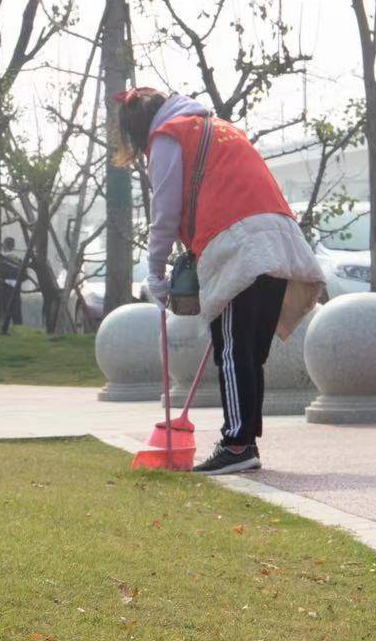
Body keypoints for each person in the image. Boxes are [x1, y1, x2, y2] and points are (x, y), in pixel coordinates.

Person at [114, 88, 326, 475]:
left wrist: (155, 272)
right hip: (279, 240)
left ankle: (236, 444)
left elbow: (164, 211)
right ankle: (246, 442)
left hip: (237, 245)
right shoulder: (224, 129)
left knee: (231, 350)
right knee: (249, 353)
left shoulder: (168, 137)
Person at [0, 236, 27, 336]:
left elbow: (0, 274)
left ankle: (6, 328)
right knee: (16, 308)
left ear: (4, 245)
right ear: (13, 247)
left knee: (7, 308)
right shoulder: (18, 260)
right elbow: (25, 275)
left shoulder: (2, 260)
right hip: (15, 287)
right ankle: (18, 328)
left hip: (6, 287)